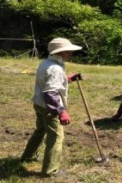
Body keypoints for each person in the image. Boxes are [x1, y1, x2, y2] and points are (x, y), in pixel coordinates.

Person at [21, 37, 82, 177]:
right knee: (56, 137)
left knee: (40, 130)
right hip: (50, 108)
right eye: (68, 51)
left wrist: (69, 79)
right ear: (60, 52)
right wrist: (61, 111)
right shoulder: (55, 68)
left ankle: (27, 156)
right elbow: (51, 92)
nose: (71, 54)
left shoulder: (46, 63)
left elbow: (49, 82)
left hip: (39, 104)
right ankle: (51, 170)